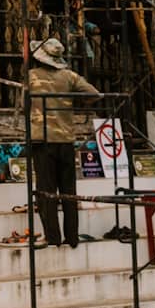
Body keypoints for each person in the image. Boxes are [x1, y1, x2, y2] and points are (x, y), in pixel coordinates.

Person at [26, 38, 97, 249]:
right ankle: (72, 237)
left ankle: (52, 236)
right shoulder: (69, 76)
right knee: (68, 191)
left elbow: (23, 102)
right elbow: (93, 94)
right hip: (66, 139)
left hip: (43, 139)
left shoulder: (30, 77)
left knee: (46, 191)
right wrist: (72, 101)